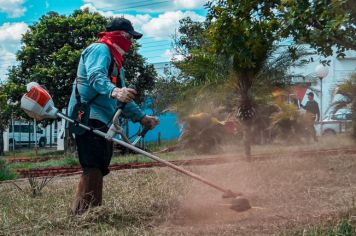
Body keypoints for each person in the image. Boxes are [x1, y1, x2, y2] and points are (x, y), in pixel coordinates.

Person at [67, 17, 159, 215]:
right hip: (87, 115)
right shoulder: (99, 49)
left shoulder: (117, 64)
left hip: (103, 119)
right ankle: (84, 214)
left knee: (100, 164)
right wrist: (116, 92)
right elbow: (95, 77)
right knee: (92, 163)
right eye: (130, 37)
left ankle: (91, 211)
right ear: (121, 35)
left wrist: (142, 118)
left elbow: (123, 99)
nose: (131, 43)